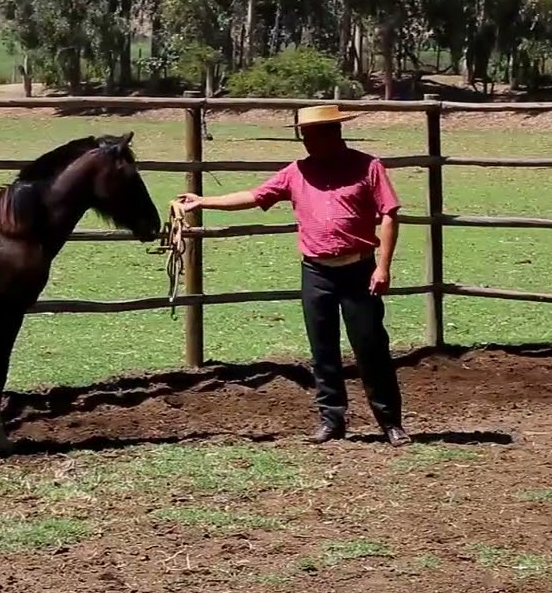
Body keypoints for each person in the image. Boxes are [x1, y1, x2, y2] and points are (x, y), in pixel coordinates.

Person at [175, 104, 411, 448]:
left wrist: (383, 266)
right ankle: (332, 419)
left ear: (334, 133)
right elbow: (255, 196)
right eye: (305, 135)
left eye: (313, 134)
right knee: (323, 349)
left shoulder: (368, 166)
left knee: (371, 346)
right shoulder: (296, 172)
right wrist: (204, 201)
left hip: (359, 269)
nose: (307, 141)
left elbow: (389, 214)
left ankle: (390, 421)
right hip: (316, 272)